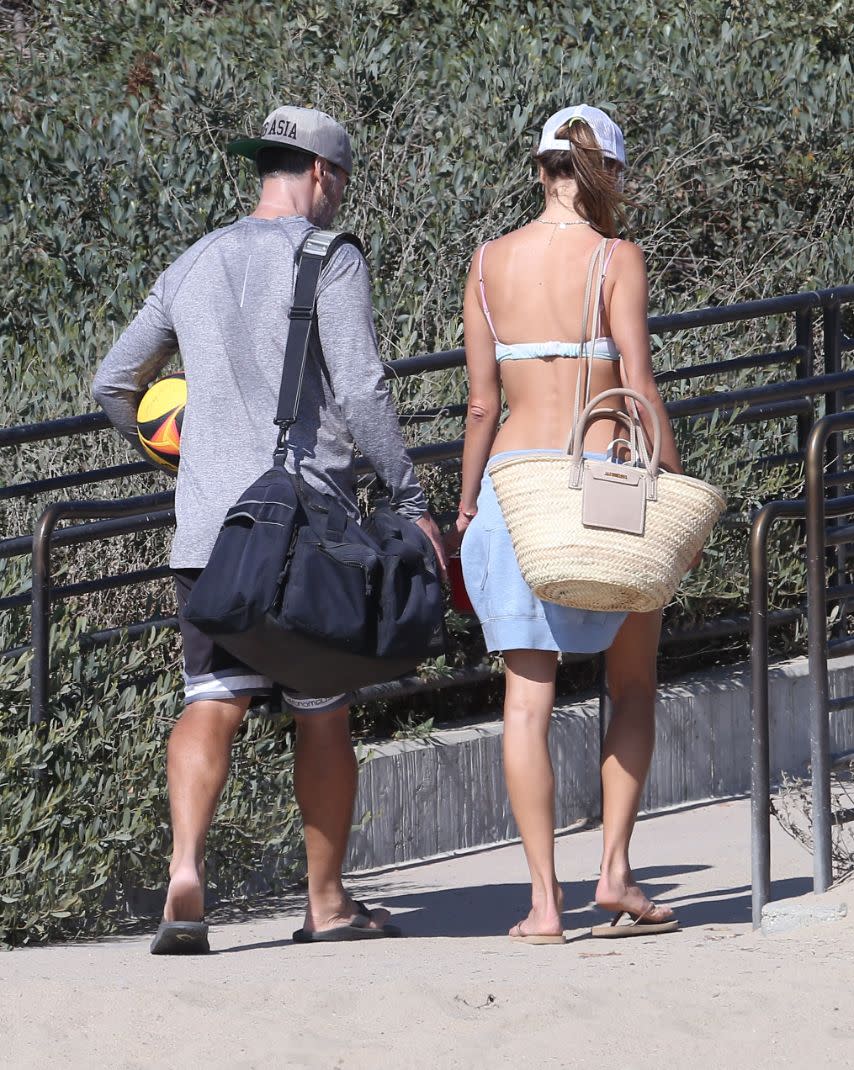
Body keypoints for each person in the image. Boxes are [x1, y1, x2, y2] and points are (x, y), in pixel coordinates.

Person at [93, 105, 446, 953]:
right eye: (344, 180)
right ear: (322, 174)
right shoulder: (331, 256)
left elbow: (112, 381)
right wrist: (408, 498)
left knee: (210, 701)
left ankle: (186, 875)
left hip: (210, 530)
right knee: (321, 710)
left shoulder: (194, 260)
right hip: (304, 531)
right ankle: (324, 904)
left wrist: (177, 455)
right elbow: (361, 390)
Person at [446, 105, 694, 941]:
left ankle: (544, 905)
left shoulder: (485, 264)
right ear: (606, 174)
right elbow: (639, 380)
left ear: (541, 169)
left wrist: (466, 501)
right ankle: (616, 873)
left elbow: (481, 404)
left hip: (515, 488)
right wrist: (676, 480)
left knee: (526, 703)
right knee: (630, 683)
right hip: (603, 491)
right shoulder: (617, 259)